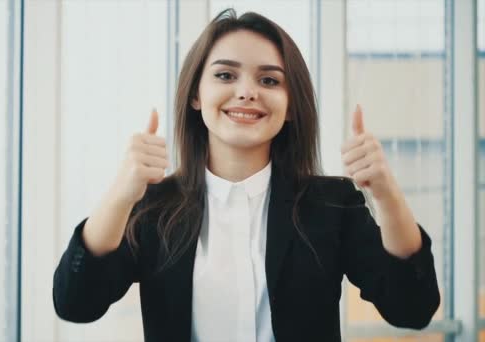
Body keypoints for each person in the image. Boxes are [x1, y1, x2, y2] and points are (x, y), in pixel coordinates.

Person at [52, 8, 440, 342]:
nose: (247, 92)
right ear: (196, 95)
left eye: (269, 80)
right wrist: (121, 195)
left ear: (290, 106)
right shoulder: (155, 207)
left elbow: (411, 308)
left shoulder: (332, 203)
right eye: (225, 76)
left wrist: (387, 195)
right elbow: (76, 303)